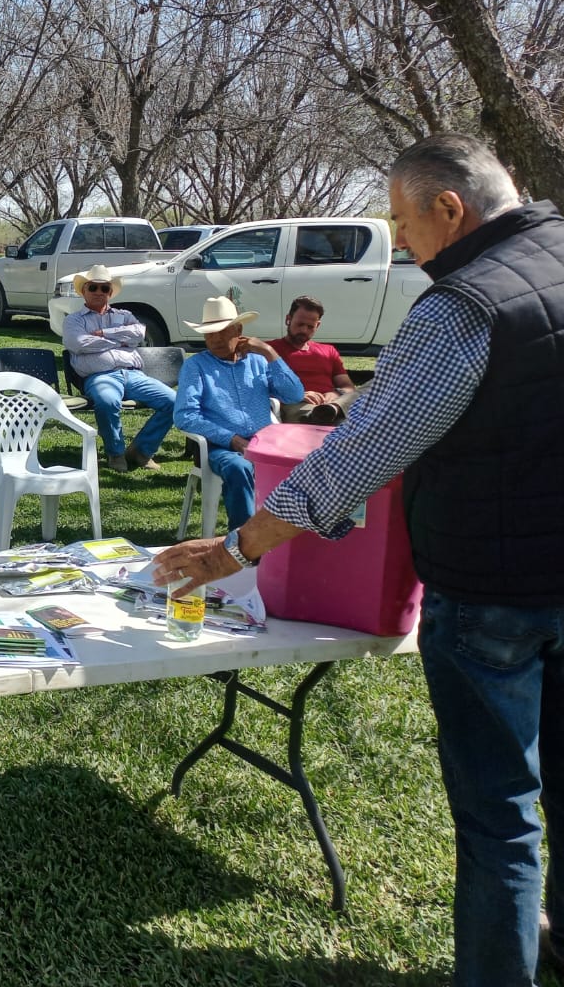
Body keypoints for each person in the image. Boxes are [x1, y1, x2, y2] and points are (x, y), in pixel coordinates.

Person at [154, 133, 564, 987]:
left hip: (495, 595)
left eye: (403, 222)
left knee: (500, 821)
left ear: (450, 208)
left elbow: (361, 457)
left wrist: (238, 546)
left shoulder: (463, 307)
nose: (401, 242)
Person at [172, 296, 304, 530]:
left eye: (222, 331)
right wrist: (232, 440)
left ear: (239, 330)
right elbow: (185, 415)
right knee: (239, 466)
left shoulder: (258, 361)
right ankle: (244, 539)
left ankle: (289, 536)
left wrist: (269, 353)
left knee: (301, 462)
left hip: (264, 443)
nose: (215, 339)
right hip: (220, 446)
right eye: (209, 333)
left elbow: (293, 395)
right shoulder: (197, 366)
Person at [61, 264, 176, 472]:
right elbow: (78, 344)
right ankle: (115, 453)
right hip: (100, 376)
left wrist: (104, 334)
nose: (98, 292)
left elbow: (139, 334)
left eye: (104, 288)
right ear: (83, 291)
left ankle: (141, 451)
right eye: (93, 287)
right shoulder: (73, 320)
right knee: (106, 401)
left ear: (110, 292)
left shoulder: (124, 315)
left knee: (174, 402)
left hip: (133, 374)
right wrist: (120, 340)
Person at [269, 295, 359, 425]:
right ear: (288, 319)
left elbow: (348, 387)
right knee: (315, 418)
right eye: (300, 324)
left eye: (310, 327)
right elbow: (259, 388)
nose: (304, 330)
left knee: (364, 392)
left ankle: (333, 412)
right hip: (298, 404)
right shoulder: (270, 350)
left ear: (318, 325)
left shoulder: (328, 351)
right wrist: (296, 395)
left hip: (333, 404)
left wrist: (335, 394)